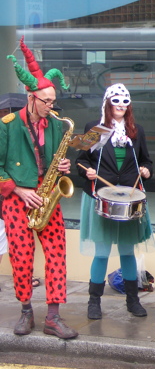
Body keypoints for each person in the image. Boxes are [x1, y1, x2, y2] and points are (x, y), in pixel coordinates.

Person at [0, 37, 78, 339]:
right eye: (46, 101)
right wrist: (19, 190)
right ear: (30, 97)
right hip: (18, 198)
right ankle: (26, 312)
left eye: (53, 101)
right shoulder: (7, 124)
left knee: (57, 254)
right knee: (22, 258)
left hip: (47, 197)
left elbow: (55, 160)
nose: (51, 106)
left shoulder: (57, 124)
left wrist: (62, 169)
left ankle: (54, 316)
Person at [76, 83, 155, 320]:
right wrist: (88, 171)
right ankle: (94, 302)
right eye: (116, 101)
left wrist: (146, 170)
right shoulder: (94, 128)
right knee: (101, 252)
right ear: (107, 103)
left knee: (127, 251)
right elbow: (80, 160)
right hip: (100, 196)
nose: (121, 106)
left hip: (129, 198)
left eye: (125, 102)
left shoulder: (136, 130)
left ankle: (133, 300)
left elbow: (146, 161)